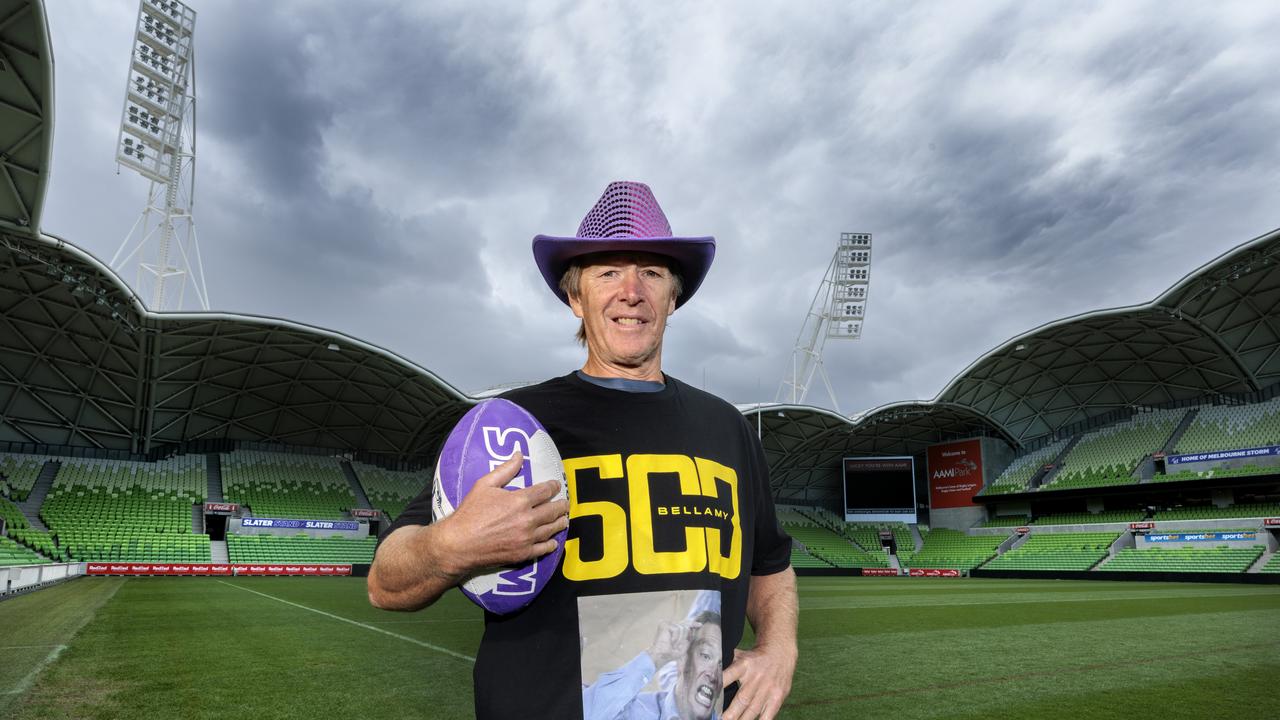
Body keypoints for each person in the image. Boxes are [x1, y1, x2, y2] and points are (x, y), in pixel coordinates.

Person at [368, 181, 797, 720]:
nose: (631, 291)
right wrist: (446, 547)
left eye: (653, 272)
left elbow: (770, 564)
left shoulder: (727, 428)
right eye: (608, 272)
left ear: (673, 297)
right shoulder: (511, 426)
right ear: (576, 297)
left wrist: (779, 649)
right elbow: (386, 582)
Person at [581, 610, 724, 720]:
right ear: (683, 659)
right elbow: (582, 713)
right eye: (706, 655)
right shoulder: (631, 712)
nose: (713, 675)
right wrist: (656, 656)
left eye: (721, 664)